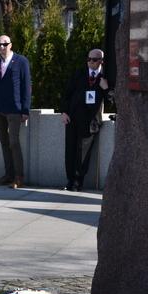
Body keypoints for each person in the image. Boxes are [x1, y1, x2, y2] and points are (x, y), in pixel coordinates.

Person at [0, 35, 31, 189]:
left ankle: (19, 177)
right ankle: (8, 174)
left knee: (13, 142)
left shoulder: (21, 61)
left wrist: (26, 109)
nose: (2, 47)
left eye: (5, 44)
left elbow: (26, 86)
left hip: (15, 109)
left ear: (11, 45)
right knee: (4, 142)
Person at [60, 48, 111, 191]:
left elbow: (112, 100)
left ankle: (78, 181)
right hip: (73, 118)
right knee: (70, 150)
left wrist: (106, 88)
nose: (90, 62)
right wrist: (64, 112)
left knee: (83, 153)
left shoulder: (105, 77)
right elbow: (67, 94)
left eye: (94, 60)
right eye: (88, 59)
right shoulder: (79, 74)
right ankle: (70, 180)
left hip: (91, 121)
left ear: (101, 61)